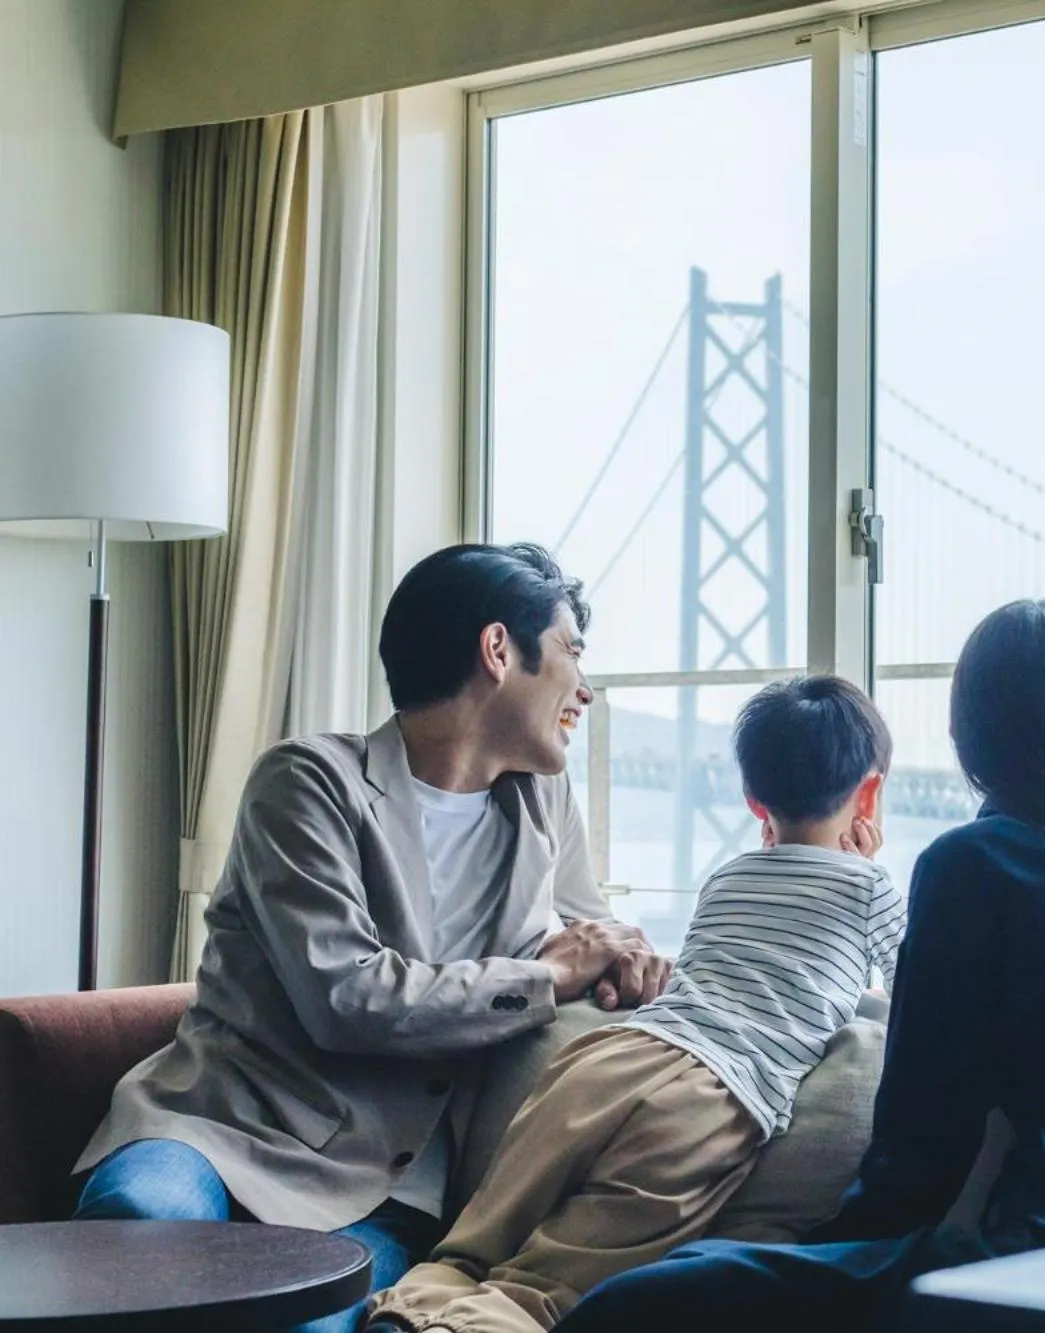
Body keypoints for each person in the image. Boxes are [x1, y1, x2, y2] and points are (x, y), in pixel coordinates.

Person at [554, 598, 1045, 1333]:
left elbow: (922, 1145)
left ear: (973, 731)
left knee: (636, 1303)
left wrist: (824, 1256)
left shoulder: (978, 862)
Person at [71, 543, 671, 1333]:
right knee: (140, 1232)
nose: (585, 688)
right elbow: (347, 998)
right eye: (571, 651)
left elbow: (592, 929)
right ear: (498, 651)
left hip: (384, 1185)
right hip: (220, 1127)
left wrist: (631, 955)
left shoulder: (544, 805)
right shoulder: (309, 781)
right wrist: (546, 977)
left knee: (309, 1325)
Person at [364, 675, 905, 1333]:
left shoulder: (726, 876)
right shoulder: (871, 885)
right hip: (710, 1092)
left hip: (609, 1059)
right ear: (871, 793)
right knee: (565, 1275)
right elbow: (915, 994)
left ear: (752, 799)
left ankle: (407, 1308)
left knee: (476, 1236)